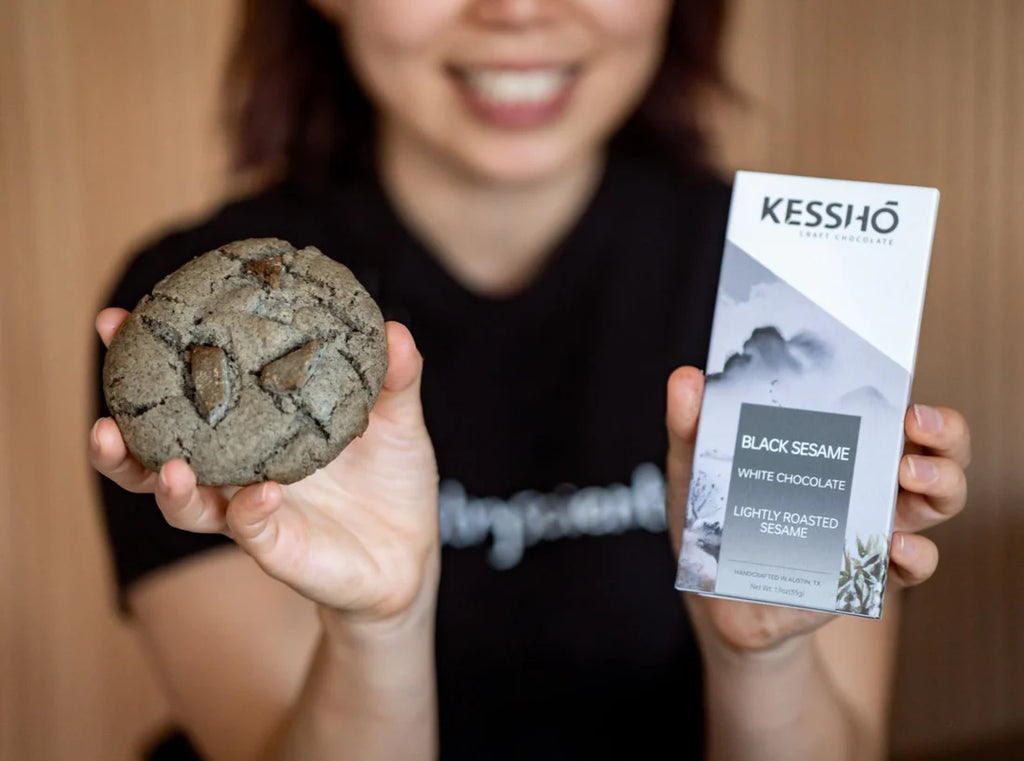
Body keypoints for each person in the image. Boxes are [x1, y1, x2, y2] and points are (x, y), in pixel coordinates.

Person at [89, 1, 971, 760]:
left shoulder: (801, 288)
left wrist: (764, 653)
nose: (517, 10)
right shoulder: (196, 336)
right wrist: (375, 629)